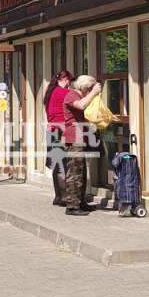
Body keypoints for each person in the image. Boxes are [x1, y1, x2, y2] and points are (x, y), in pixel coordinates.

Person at [62, 75, 103, 216]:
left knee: (82, 172)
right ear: (85, 88)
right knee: (74, 173)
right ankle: (72, 206)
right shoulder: (71, 95)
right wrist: (94, 92)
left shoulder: (79, 95)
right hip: (74, 138)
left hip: (81, 137)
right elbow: (81, 105)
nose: (91, 92)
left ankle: (80, 202)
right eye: (90, 89)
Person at [43, 70, 74, 206]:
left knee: (57, 164)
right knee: (62, 164)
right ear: (65, 79)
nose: (69, 84)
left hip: (51, 131)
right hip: (60, 131)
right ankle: (64, 198)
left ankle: (58, 196)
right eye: (69, 81)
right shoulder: (63, 92)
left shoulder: (51, 92)